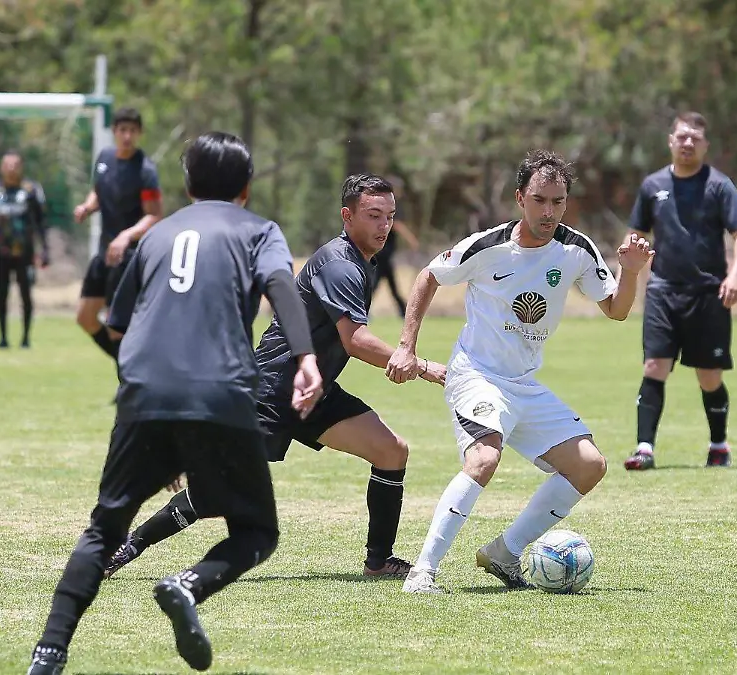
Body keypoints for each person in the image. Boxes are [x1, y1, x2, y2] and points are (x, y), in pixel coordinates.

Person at [27, 132, 323, 675]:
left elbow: (117, 324)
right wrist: (305, 357)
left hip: (145, 395)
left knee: (103, 530)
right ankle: (187, 584)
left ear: (187, 185)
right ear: (247, 187)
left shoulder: (157, 235)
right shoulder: (259, 231)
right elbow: (282, 287)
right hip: (221, 393)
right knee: (256, 531)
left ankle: (48, 654)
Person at [103, 173, 448, 582]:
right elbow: (354, 341)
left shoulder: (361, 261)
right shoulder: (340, 264)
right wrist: (421, 366)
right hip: (271, 389)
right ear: (347, 215)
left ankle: (378, 562)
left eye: (389, 216)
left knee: (391, 452)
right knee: (212, 493)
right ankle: (125, 547)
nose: (384, 226)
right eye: (373, 215)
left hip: (313, 392)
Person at [385, 149, 653, 594]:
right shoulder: (487, 246)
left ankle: (505, 553)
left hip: (524, 385)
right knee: (484, 458)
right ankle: (423, 571)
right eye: (540, 200)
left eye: (558, 201)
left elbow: (617, 310)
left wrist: (630, 272)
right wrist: (406, 346)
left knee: (589, 466)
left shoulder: (576, 249)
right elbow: (428, 277)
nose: (549, 211)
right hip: (476, 375)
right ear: (519, 199)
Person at [623, 111, 737, 471]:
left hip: (709, 294)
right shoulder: (652, 186)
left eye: (695, 137)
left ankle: (718, 446)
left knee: (709, 376)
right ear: (670, 140)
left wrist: (736, 276)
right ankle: (644, 448)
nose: (688, 143)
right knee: (654, 366)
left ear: (705, 144)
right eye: (682, 136)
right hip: (663, 292)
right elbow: (637, 233)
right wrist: (630, 260)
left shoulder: (719, 186)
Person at [71, 107, 162, 363]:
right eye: (123, 130)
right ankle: (130, 373)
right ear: (114, 131)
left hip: (128, 256)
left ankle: (129, 383)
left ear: (139, 133)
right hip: (104, 252)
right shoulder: (104, 158)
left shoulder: (145, 170)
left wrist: (126, 236)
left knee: (115, 324)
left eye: (132, 131)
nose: (127, 136)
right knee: (85, 318)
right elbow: (98, 191)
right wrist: (88, 206)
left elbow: (154, 215)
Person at [0, 149, 48, 348]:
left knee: (26, 294)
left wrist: (44, 250)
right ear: (2, 167)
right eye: (7, 165)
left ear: (21, 168)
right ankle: (3, 338)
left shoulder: (31, 190)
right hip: (1, 254)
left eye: (15, 165)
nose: (11, 169)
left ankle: (26, 338)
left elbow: (41, 222)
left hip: (25, 254)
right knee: (1, 295)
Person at [371, 177, 420, 317]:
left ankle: (402, 310)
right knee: (380, 282)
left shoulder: (387, 203)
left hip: (385, 251)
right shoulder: (390, 204)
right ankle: (402, 310)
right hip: (383, 250)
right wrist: (412, 240)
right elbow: (398, 225)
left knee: (385, 281)